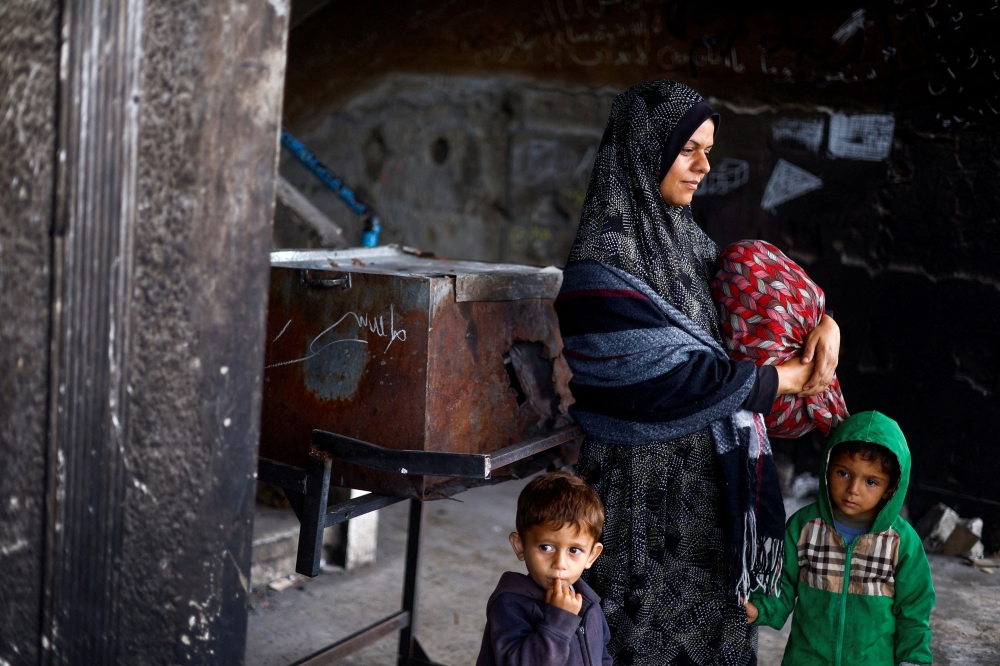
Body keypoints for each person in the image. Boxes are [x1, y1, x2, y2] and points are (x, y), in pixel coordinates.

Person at [555, 79, 841, 665]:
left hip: (711, 504)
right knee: (637, 645)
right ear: (646, 149)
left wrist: (824, 321)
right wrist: (774, 382)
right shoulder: (601, 261)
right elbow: (648, 386)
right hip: (639, 505)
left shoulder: (690, 242)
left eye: (708, 149)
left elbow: (763, 315)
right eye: (689, 150)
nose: (705, 166)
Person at [744, 411, 935, 665]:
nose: (853, 490)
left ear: (891, 487)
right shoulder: (804, 526)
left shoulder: (902, 542)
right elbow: (782, 584)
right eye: (843, 473)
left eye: (871, 481)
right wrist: (759, 608)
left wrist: (914, 659)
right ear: (827, 467)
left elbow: (914, 610)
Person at [477, 471, 613, 666]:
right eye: (546, 547)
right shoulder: (510, 604)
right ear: (520, 546)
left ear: (591, 555)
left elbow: (602, 655)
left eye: (574, 550)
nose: (560, 563)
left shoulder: (588, 603)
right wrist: (558, 621)